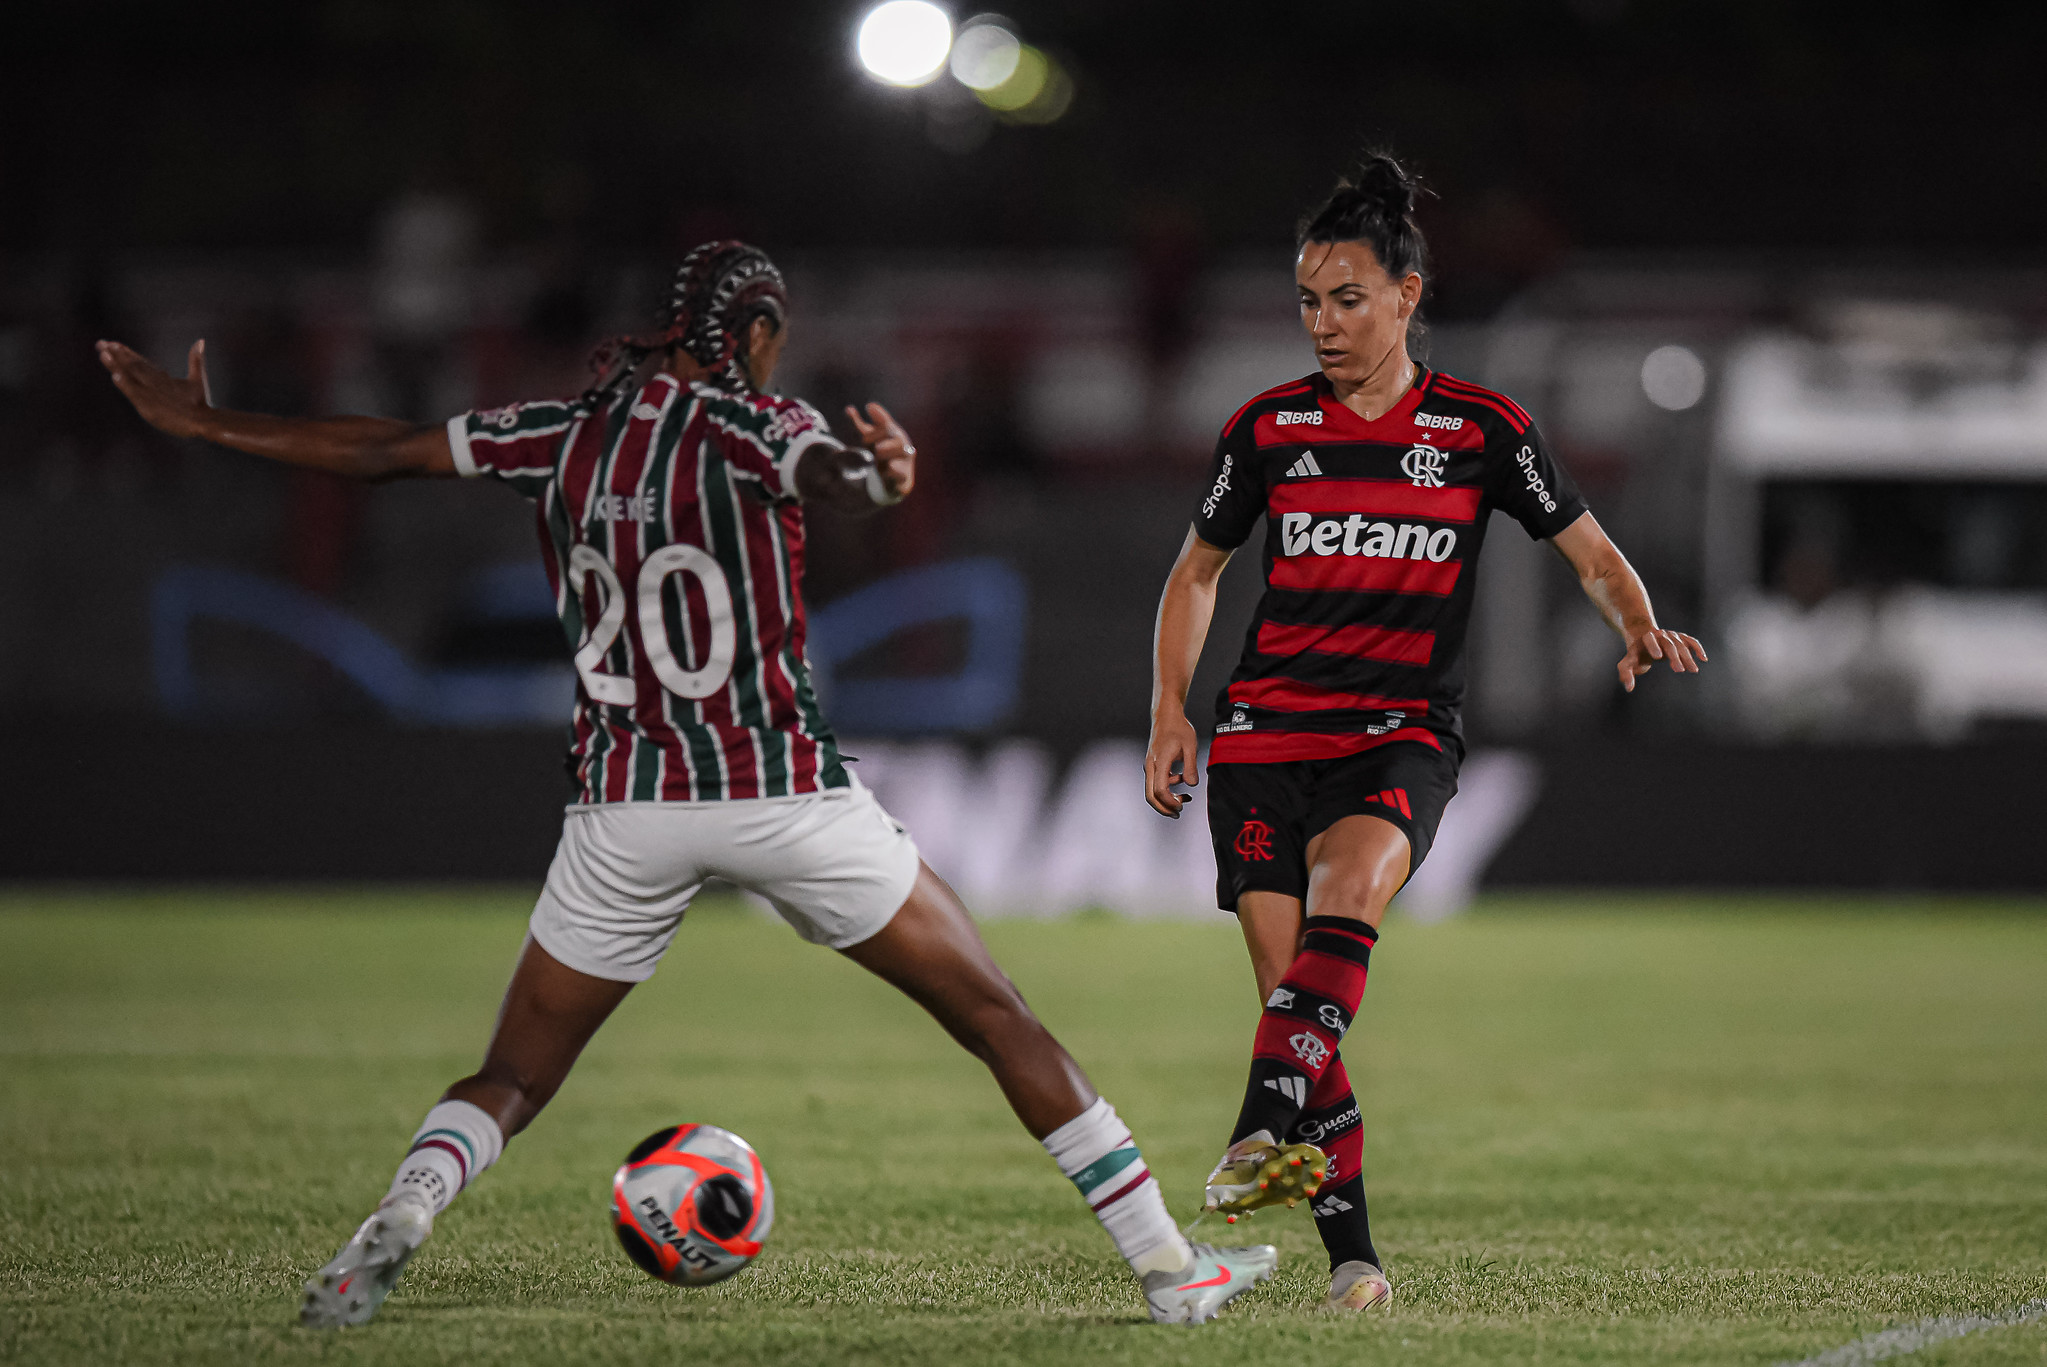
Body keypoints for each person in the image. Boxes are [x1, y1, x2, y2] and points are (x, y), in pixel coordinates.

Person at [99, 241, 1275, 1328]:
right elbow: (835, 475)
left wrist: (206, 422)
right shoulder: (761, 424)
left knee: (512, 1074)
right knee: (996, 1016)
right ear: (753, 331)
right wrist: (881, 477)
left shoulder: (559, 429)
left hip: (624, 809)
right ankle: (1169, 1269)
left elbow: (380, 450)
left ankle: (399, 1213)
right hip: (786, 794)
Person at [1142, 156, 1707, 1313]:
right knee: (1296, 1006)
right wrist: (1169, 708)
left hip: (1397, 735)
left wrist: (1637, 622)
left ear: (1405, 296)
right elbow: (1196, 572)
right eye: (1308, 300)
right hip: (1260, 736)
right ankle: (1353, 1258)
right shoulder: (1267, 429)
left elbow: (1589, 549)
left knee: (1346, 901)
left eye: (1347, 298)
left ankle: (1255, 1129)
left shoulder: (1480, 429)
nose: (1323, 322)